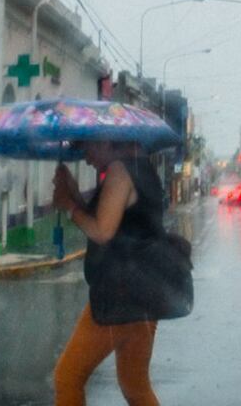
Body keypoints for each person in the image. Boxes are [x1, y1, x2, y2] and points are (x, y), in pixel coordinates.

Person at [52, 140, 163, 406]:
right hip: (146, 292)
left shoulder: (119, 171)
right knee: (135, 386)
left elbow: (103, 231)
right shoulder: (141, 168)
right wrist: (74, 194)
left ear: (104, 140)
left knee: (67, 377)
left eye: (87, 148)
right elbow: (113, 221)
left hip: (119, 294)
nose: (87, 158)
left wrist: (70, 207)